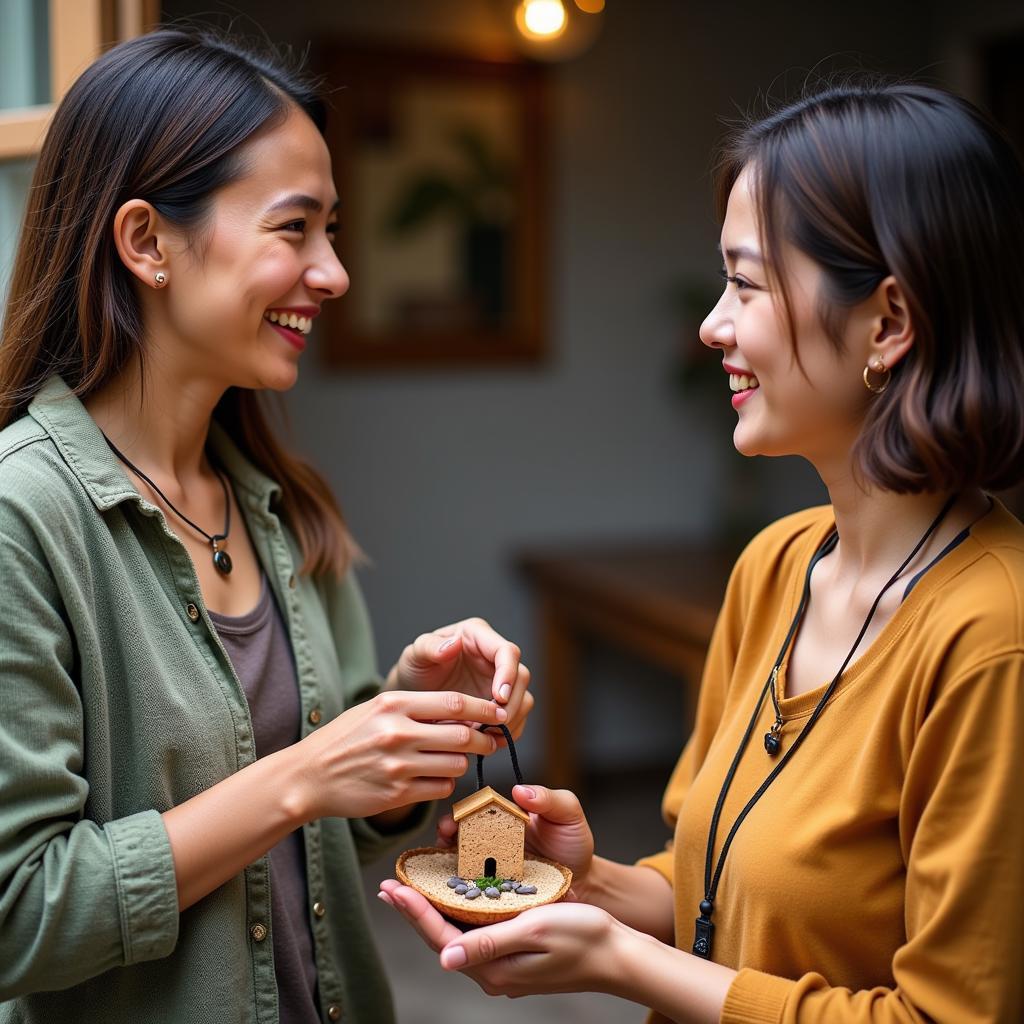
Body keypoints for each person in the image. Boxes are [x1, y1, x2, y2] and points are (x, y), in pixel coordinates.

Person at [381, 78, 1024, 1023]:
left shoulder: (990, 638)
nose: (712, 323)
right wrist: (584, 882)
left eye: (748, 282)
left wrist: (621, 964)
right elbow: (709, 895)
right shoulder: (777, 566)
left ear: (887, 323)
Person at [0, 26, 534, 1024]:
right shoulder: (20, 518)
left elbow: (335, 840)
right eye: (296, 230)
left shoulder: (275, 503)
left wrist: (400, 723)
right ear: (147, 242)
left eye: (334, 232)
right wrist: (301, 774)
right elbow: (18, 914)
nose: (332, 273)